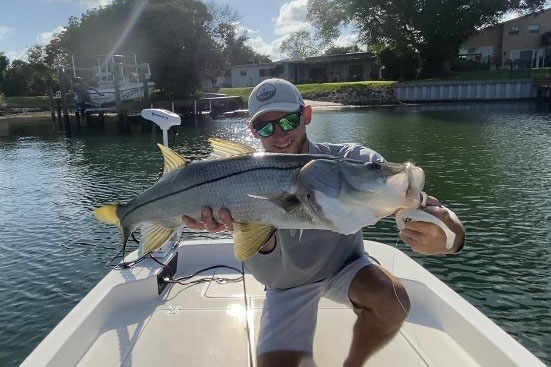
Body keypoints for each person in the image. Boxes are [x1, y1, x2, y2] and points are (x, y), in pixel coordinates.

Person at [184, 78, 465, 367]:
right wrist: (253, 230)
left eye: (288, 120)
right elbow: (267, 273)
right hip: (286, 283)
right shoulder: (242, 179)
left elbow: (414, 201)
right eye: (265, 127)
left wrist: (449, 237)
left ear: (306, 115)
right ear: (253, 132)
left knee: (393, 301)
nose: (278, 134)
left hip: (346, 266)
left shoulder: (351, 161)